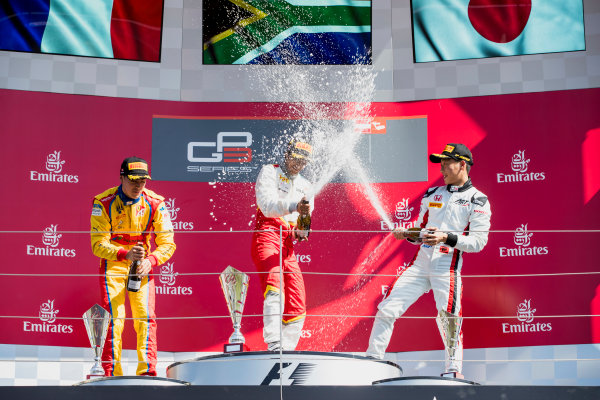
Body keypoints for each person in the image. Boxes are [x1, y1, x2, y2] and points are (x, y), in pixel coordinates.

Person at [366, 143, 491, 378]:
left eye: (446, 164)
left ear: (462, 165)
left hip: (448, 266)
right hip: (420, 264)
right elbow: (422, 231)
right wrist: (408, 233)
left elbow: (478, 242)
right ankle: (373, 359)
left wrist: (447, 237)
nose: (441, 169)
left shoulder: (478, 200)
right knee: (386, 309)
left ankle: (453, 371)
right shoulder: (433, 194)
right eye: (440, 164)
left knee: (449, 318)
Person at [90, 157, 176, 376]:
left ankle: (147, 371)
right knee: (114, 320)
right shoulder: (103, 202)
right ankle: (111, 372)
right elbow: (97, 244)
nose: (139, 186)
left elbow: (168, 243)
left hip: (142, 267)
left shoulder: (156, 202)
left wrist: (151, 260)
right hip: (113, 264)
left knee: (145, 318)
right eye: (134, 180)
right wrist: (124, 253)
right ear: (121, 178)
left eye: (143, 181)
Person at [251, 139, 314, 351]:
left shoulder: (307, 186)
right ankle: (274, 344)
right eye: (295, 158)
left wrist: (303, 229)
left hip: (288, 243)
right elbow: (267, 206)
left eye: (303, 161)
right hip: (267, 234)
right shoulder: (270, 171)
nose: (298, 164)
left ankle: (287, 351)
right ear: (287, 155)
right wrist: (295, 206)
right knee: (274, 285)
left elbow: (301, 226)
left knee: (298, 299)